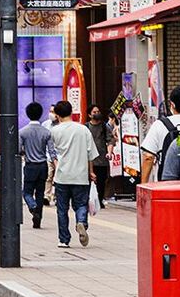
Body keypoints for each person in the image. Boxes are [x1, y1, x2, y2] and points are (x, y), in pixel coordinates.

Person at [49, 97, 98, 248]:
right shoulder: (83, 130)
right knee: (81, 204)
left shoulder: (54, 131)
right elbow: (90, 154)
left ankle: (64, 239)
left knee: (62, 209)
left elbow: (53, 153)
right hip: (81, 175)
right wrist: (91, 172)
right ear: (71, 112)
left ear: (57, 115)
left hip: (62, 175)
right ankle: (81, 222)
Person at [141, 85, 180, 183]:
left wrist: (143, 186)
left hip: (166, 185)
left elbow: (148, 157)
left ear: (172, 105)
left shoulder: (160, 125)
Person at [18, 101, 54, 230]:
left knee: (27, 192)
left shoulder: (23, 132)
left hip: (30, 165)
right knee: (40, 193)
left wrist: (25, 151)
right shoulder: (46, 132)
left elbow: (18, 149)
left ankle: (32, 206)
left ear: (28, 114)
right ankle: (37, 220)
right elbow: (51, 151)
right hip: (43, 165)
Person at [88, 106, 114, 208]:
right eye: (94, 112)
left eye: (98, 111)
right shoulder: (86, 127)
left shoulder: (104, 127)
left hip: (102, 159)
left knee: (102, 181)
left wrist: (110, 152)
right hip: (89, 160)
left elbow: (110, 140)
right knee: (88, 181)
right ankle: (89, 200)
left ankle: (99, 200)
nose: (97, 113)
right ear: (89, 115)